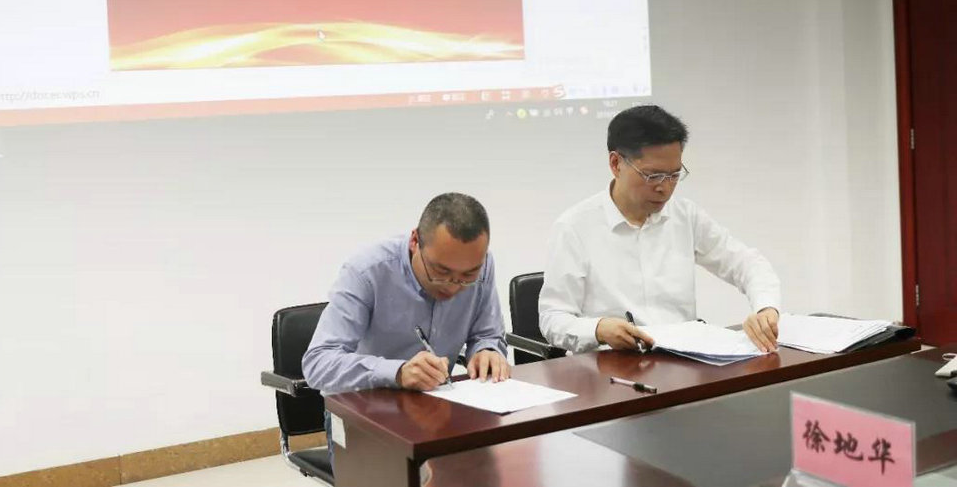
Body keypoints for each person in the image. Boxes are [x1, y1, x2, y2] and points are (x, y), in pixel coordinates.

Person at [538, 104, 781, 355]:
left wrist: (766, 308)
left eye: (674, 175)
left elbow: (747, 263)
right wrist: (598, 329)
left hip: (682, 359)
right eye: (652, 176)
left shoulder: (685, 216)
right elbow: (553, 318)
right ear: (616, 163)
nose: (664, 188)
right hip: (609, 366)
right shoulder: (575, 227)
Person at [303, 193, 510, 467]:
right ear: (415, 241)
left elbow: (487, 334)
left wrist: (487, 350)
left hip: (437, 409)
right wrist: (397, 372)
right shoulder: (366, 272)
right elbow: (318, 363)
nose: (453, 286)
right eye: (441, 272)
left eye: (468, 276)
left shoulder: (481, 265)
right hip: (365, 416)